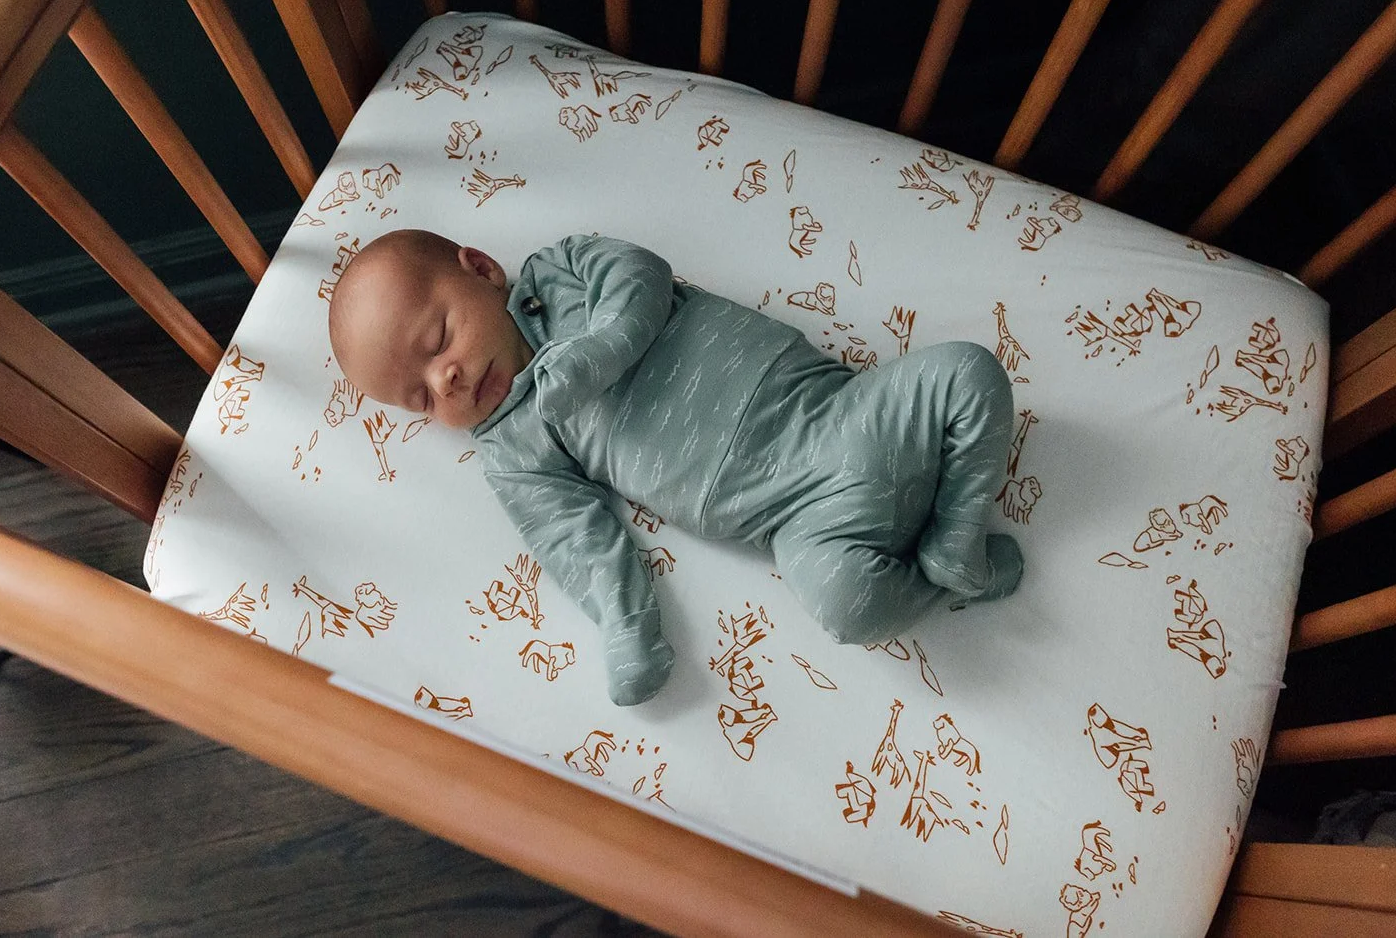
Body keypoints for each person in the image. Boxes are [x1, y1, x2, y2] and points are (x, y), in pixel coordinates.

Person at [329, 230, 1023, 706]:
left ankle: (957, 532)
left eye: (437, 339)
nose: (444, 379)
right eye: (419, 397)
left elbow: (645, 280)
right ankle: (946, 573)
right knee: (845, 607)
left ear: (481, 269)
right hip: (792, 521)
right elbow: (575, 539)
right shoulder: (513, 448)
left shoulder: (561, 273)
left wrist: (597, 353)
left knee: (970, 372)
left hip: (841, 410)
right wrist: (625, 628)